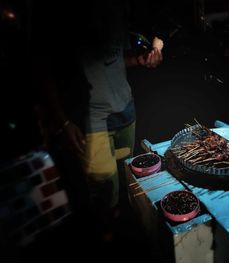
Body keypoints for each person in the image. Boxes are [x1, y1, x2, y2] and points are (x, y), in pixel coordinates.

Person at [30, 0, 163, 241]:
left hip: (125, 113)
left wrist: (140, 60)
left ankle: (130, 235)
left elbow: (113, 59)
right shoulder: (55, 12)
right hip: (90, 120)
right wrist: (62, 122)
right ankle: (106, 237)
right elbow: (42, 70)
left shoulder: (117, 7)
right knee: (103, 192)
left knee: (127, 182)